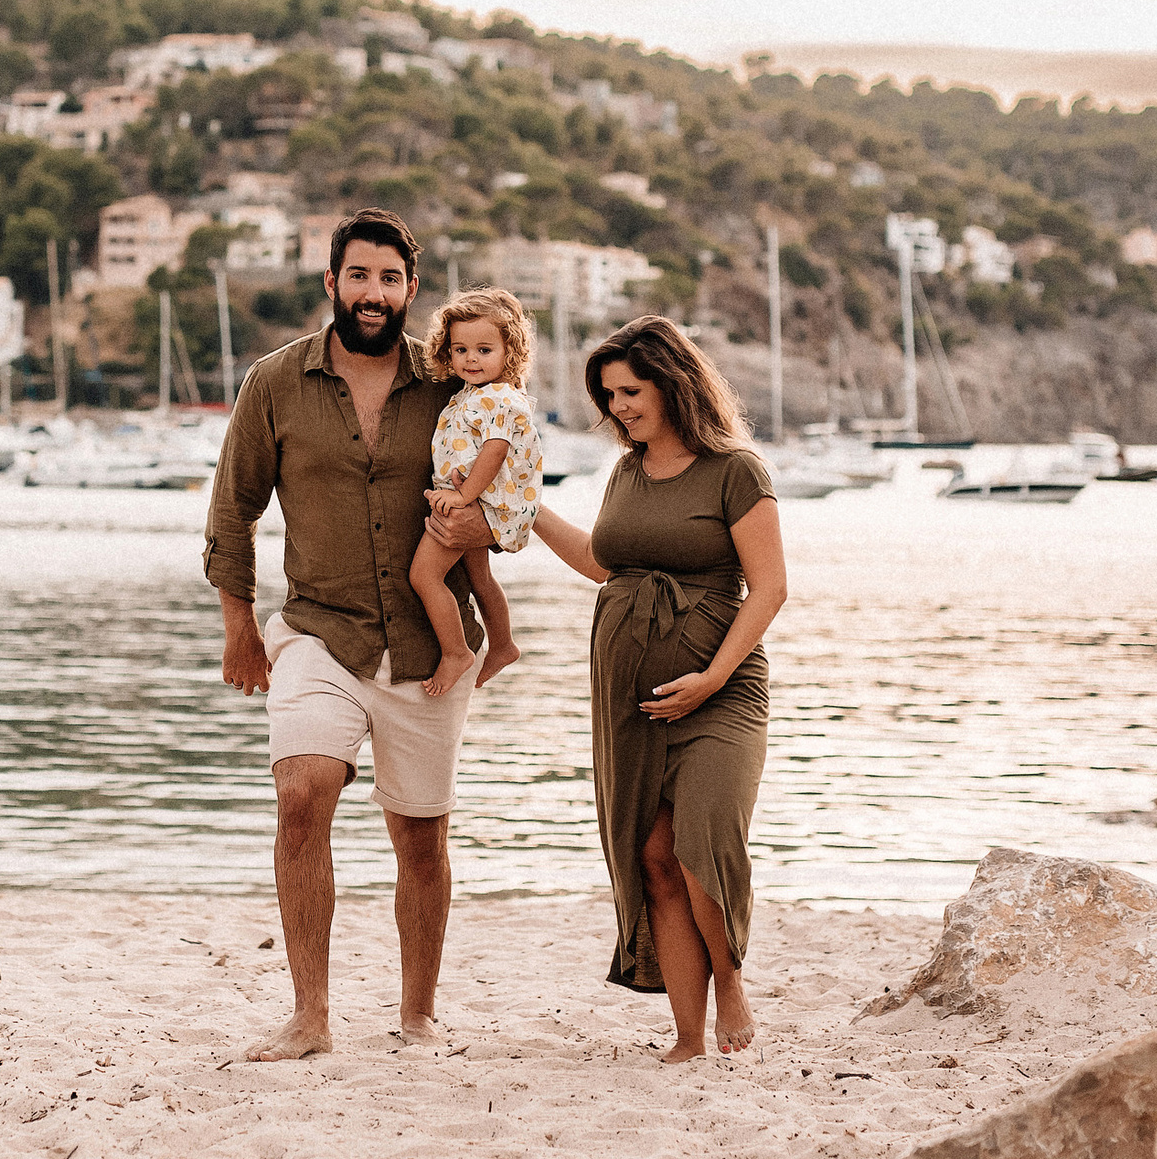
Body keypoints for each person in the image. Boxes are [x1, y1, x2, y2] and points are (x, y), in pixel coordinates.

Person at [205, 208, 506, 1063]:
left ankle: (419, 1014)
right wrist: (239, 626)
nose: (374, 293)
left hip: (426, 643)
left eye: (391, 279)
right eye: (360, 276)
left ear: (411, 289)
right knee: (302, 795)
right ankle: (310, 1015)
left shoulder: (450, 385)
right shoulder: (274, 382)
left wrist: (485, 527)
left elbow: (506, 493)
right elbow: (233, 507)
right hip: (318, 631)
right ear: (331, 282)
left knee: (421, 838)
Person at [517, 315, 786, 1063]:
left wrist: (712, 678)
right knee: (656, 858)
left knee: (703, 842)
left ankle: (730, 979)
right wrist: (528, 510)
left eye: (630, 392)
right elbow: (607, 565)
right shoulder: (626, 472)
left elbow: (768, 588)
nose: (618, 408)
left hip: (721, 691)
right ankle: (688, 1036)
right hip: (630, 701)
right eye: (609, 396)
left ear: (672, 383)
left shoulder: (735, 470)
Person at [409, 286, 539, 697]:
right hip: (473, 498)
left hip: (471, 502)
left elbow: (495, 449)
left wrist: (463, 498)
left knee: (424, 576)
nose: (471, 359)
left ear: (509, 352)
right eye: (460, 350)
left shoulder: (498, 398)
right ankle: (503, 644)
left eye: (484, 350)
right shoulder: (473, 394)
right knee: (479, 577)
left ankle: (456, 652)